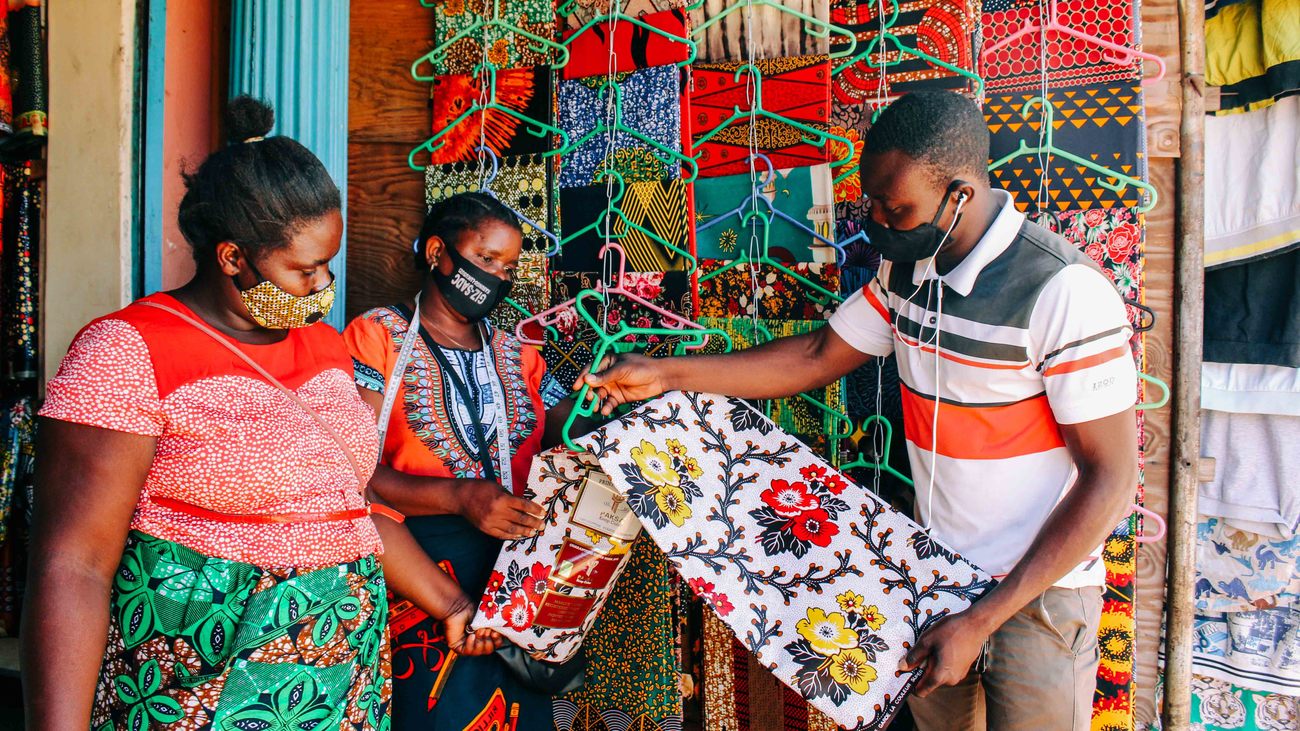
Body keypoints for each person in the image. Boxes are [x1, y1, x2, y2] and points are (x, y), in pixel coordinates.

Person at [579, 90, 1140, 731]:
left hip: (1039, 596)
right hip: (931, 581)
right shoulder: (908, 270)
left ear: (958, 193)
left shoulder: (1062, 292)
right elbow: (819, 354)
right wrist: (665, 374)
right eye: (870, 199)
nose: (874, 218)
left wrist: (982, 619)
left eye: (893, 206)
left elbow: (1112, 479)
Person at [21, 97, 497, 730]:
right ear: (232, 257)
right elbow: (72, 566)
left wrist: (452, 603)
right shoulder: (128, 350)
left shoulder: (326, 347)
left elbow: (347, 509)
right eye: (304, 269)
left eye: (329, 262)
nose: (323, 285)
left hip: (337, 688)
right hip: (196, 689)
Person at [344, 192, 576, 731]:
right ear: (436, 252)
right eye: (486, 258)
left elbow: (570, 420)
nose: (499, 275)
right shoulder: (377, 336)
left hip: (515, 573)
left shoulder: (519, 352)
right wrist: (459, 496)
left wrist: (623, 400)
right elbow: (354, 474)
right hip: (416, 571)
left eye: (510, 266)